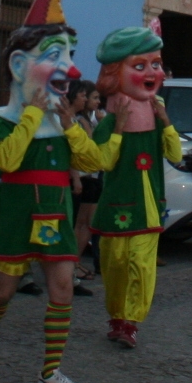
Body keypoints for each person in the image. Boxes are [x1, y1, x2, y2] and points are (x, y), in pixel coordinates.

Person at [0, 0, 103, 383]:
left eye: (70, 55)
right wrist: (31, 115)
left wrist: (69, 126)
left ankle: (50, 373)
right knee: (3, 292)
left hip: (55, 214)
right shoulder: (2, 122)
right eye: (56, 55)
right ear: (19, 64)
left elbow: (93, 160)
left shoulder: (64, 123)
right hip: (16, 211)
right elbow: (7, 161)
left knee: (62, 289)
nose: (70, 69)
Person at [89, 26, 182, 348]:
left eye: (156, 64)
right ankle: (117, 317)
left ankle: (131, 322)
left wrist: (166, 121)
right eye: (140, 66)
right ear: (114, 74)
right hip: (116, 206)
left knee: (141, 266)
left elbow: (175, 154)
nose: (152, 73)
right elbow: (104, 161)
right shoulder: (106, 124)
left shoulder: (157, 120)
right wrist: (117, 128)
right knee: (115, 265)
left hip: (149, 207)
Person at [66, 80, 105, 281]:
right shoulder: (78, 121)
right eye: (93, 97)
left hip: (93, 174)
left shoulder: (88, 119)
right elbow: (82, 147)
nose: (98, 102)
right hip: (83, 175)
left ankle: (76, 261)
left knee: (88, 223)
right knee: (80, 223)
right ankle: (73, 263)